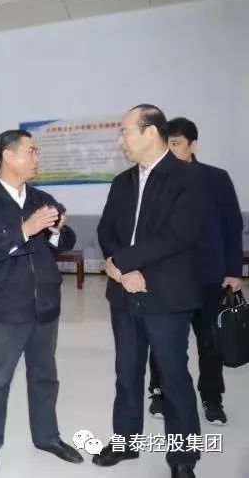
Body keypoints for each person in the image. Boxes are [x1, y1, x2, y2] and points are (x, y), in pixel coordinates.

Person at [0, 130, 82, 475]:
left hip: (45, 304)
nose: (37, 158)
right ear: (8, 155)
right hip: (5, 308)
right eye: (31, 151)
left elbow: (65, 241)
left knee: (45, 376)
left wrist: (58, 231)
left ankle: (47, 437)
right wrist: (25, 229)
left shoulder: (42, 198)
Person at [96, 105, 202, 478]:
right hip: (124, 294)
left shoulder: (188, 179)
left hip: (167, 295)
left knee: (173, 377)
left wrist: (123, 263)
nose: (120, 140)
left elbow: (178, 235)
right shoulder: (122, 182)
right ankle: (125, 441)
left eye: (125, 131)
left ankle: (183, 457)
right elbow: (106, 230)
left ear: (151, 132)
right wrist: (121, 268)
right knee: (126, 372)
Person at [146, 117, 244, 425]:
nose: (170, 150)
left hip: (207, 276)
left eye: (176, 144)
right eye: (167, 144)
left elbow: (232, 225)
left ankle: (212, 397)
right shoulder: (154, 178)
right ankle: (159, 392)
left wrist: (233, 270)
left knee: (210, 340)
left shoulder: (215, 178)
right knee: (164, 340)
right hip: (166, 277)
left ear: (193, 145)